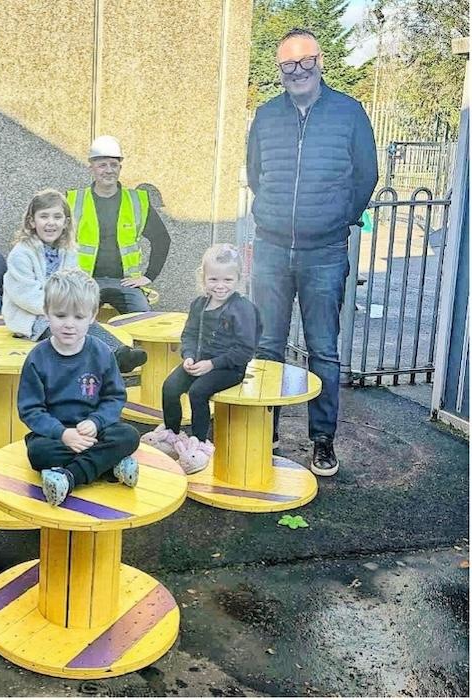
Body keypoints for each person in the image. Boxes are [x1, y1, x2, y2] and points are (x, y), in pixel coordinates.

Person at [246, 28, 378, 477]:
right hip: (271, 248)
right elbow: (255, 173)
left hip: (324, 251)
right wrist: (272, 213)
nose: (297, 71)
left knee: (322, 349)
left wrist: (341, 218)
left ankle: (322, 440)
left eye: (306, 61)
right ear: (280, 69)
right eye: (288, 64)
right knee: (267, 346)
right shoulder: (265, 116)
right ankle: (265, 432)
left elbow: (366, 175)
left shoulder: (349, 112)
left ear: (320, 62)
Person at [17, 269, 141, 506]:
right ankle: (108, 465)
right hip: (56, 434)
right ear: (46, 313)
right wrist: (63, 434)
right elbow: (30, 409)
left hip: (94, 430)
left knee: (128, 436)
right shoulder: (37, 357)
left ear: (93, 316)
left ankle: (68, 476)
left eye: (79, 317)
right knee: (38, 453)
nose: (69, 325)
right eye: (60, 316)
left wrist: (96, 422)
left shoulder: (102, 352)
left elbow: (114, 397)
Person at [142, 245, 260, 474]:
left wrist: (212, 364)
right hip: (198, 361)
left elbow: (245, 350)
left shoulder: (243, 309)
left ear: (238, 279)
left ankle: (198, 445)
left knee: (198, 392)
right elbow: (189, 334)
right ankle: (172, 435)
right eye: (213, 279)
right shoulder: (199, 304)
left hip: (229, 366)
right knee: (170, 387)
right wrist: (188, 356)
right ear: (203, 278)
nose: (220, 285)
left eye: (227, 279)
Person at [2, 189, 147, 373]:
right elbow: (24, 295)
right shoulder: (21, 253)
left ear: (66, 222)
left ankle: (120, 352)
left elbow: (75, 283)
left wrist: (78, 308)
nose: (50, 223)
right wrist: (62, 311)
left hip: (63, 311)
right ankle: (109, 359)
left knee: (86, 325)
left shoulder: (68, 250)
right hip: (31, 318)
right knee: (69, 331)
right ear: (32, 221)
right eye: (44, 216)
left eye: (57, 217)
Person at [66, 135, 171, 313]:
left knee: (141, 317)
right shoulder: (74, 200)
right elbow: (53, 240)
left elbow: (162, 239)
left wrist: (148, 276)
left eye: (113, 165)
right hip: (85, 281)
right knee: (74, 318)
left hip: (125, 282)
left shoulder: (137, 202)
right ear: (91, 167)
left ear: (120, 168)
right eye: (102, 165)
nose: (109, 170)